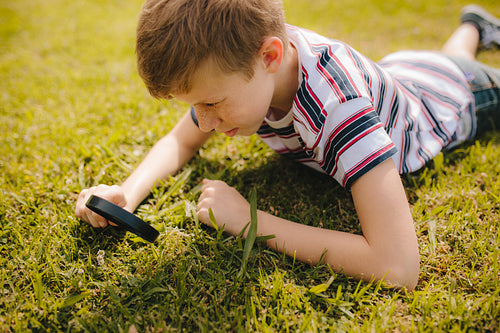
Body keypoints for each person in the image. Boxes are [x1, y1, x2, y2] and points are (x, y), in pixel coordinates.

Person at [75, 0, 500, 291]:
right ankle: (472, 27)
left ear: (271, 57)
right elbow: (179, 141)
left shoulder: (338, 109)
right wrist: (125, 195)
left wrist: (249, 220)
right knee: (449, 55)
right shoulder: (245, 67)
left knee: (461, 68)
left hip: (458, 95)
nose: (202, 121)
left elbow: (398, 266)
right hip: (405, 71)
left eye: (211, 103)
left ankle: (470, 35)